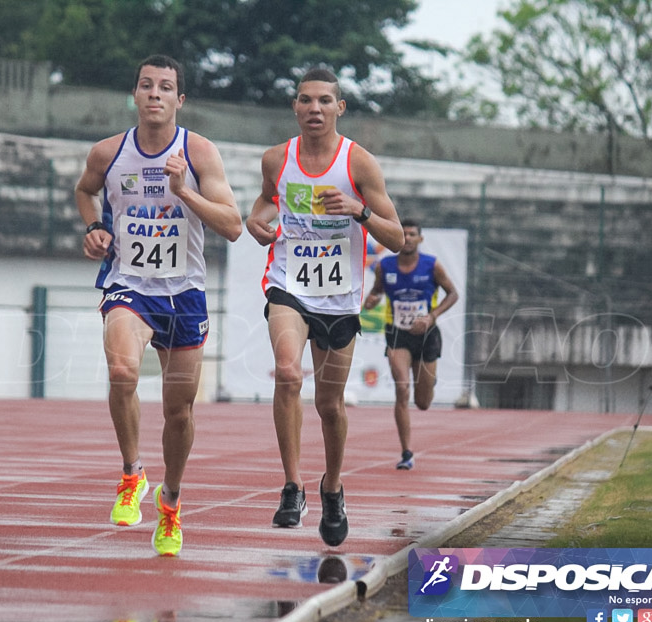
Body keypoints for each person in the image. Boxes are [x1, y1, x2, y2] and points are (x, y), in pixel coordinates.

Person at [74, 55, 242, 556]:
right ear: (135, 94)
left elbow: (232, 226)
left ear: (179, 100)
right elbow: (85, 192)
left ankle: (170, 504)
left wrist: (182, 191)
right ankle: (131, 474)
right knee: (123, 371)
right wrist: (93, 226)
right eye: (146, 86)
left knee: (179, 412)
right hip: (129, 283)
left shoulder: (199, 152)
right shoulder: (108, 153)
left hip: (184, 293)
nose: (154, 95)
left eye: (164, 88)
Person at [246, 67, 405, 547]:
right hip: (288, 286)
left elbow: (396, 238)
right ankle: (292, 487)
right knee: (288, 374)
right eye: (305, 100)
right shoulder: (277, 159)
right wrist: (257, 224)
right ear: (295, 108)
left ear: (340, 108)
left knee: (330, 405)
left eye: (324, 101)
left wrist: (358, 211)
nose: (314, 108)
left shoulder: (359, 164)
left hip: (338, 297)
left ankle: (331, 487)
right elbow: (261, 208)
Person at [363, 220, 459, 470]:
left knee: (423, 402)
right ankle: (406, 452)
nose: (407, 237)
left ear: (420, 239)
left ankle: (428, 380)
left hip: (427, 335)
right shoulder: (385, 266)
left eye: (412, 234)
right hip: (397, 334)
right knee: (402, 389)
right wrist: (372, 300)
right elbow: (376, 291)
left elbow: (453, 294)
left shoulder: (432, 265)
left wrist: (432, 316)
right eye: (403, 233)